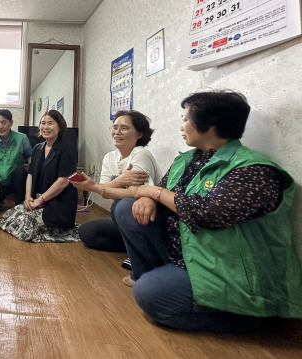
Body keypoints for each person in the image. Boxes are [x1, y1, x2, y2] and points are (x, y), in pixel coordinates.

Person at [114, 90, 302, 332]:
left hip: (228, 268)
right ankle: (164, 277)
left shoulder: (254, 169)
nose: (181, 125)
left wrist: (153, 193)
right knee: (126, 208)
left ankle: (250, 317)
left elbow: (207, 214)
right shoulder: (189, 159)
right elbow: (160, 190)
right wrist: (150, 196)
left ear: (210, 124)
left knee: (149, 294)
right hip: (189, 252)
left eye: (185, 119)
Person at [71, 110, 162, 269]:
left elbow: (135, 193)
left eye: (124, 128)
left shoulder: (140, 154)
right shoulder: (109, 157)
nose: (117, 132)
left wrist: (96, 188)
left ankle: (144, 254)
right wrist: (119, 181)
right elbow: (104, 189)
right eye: (114, 127)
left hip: (147, 217)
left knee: (120, 204)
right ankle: (133, 248)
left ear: (139, 134)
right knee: (86, 232)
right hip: (125, 216)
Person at [0, 110, 78, 242]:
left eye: (50, 123)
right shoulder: (38, 148)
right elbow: (31, 174)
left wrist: (40, 200)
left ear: (60, 126)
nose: (45, 127)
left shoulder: (66, 149)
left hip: (57, 203)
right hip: (38, 200)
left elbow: (63, 181)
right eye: (43, 123)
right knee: (8, 218)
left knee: (24, 226)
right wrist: (28, 197)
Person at [0, 109, 32, 214]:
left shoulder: (22, 138)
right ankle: (1, 201)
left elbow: (31, 159)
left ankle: (20, 206)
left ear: (11, 123)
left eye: (4, 122)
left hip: (18, 181)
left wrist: (32, 183)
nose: (0, 126)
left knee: (21, 171)